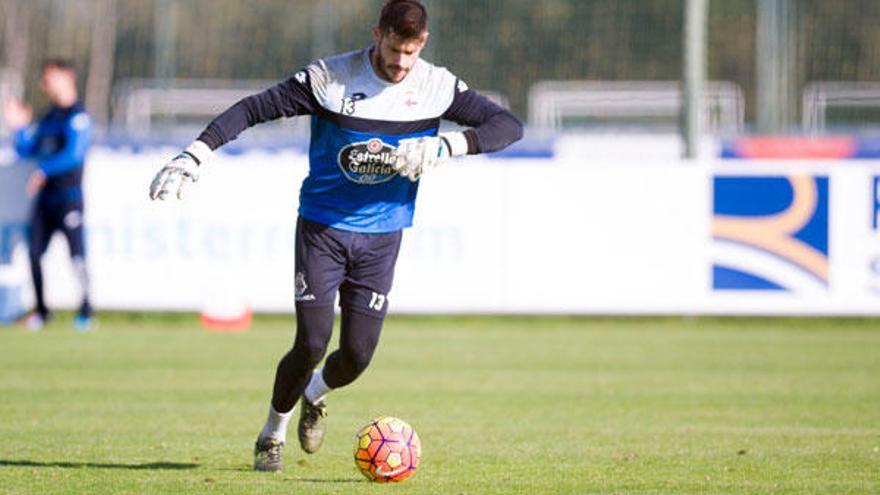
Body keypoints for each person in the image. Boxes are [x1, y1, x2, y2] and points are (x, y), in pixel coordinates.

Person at [148, 0, 523, 472]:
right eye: (393, 49)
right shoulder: (330, 79)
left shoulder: (436, 86)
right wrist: (197, 152)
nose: (400, 63)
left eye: (410, 53)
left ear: (422, 43)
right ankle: (272, 434)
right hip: (323, 229)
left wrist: (448, 144)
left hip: (382, 237)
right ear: (377, 34)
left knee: (358, 356)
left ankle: (314, 392)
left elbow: (508, 126)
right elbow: (253, 109)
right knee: (311, 342)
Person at [4, 59, 93, 332]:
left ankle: (86, 312)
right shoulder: (49, 117)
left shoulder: (77, 115)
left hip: (69, 196)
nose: (45, 83)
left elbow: (73, 155)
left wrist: (44, 170)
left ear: (67, 78)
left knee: (76, 256)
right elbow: (28, 150)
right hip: (45, 199)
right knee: (34, 253)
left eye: (50, 77)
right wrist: (19, 128)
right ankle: (42, 312)